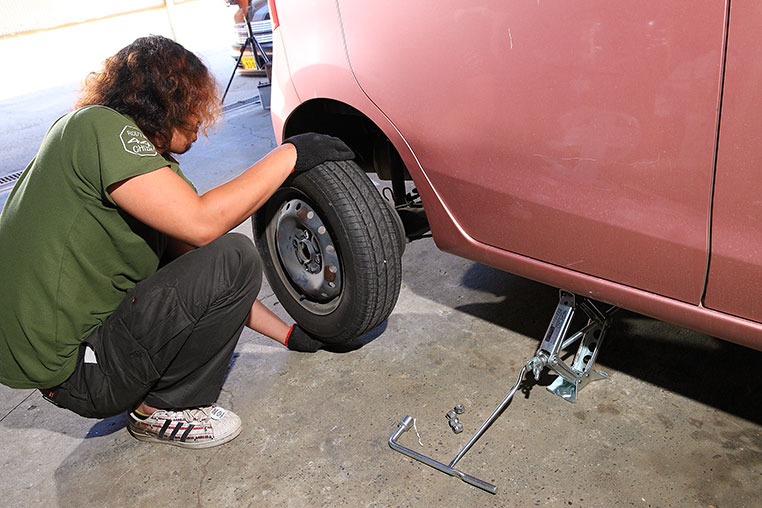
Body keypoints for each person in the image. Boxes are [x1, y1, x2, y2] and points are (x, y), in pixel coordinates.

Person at [0, 35, 354, 449]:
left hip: (75, 363)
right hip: (80, 370)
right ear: (169, 98)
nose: (202, 126)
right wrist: (291, 153)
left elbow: (209, 281)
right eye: (196, 108)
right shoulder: (99, 127)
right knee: (236, 253)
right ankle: (160, 411)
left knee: (225, 259)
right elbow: (204, 226)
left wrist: (288, 336)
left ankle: (143, 391)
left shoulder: (128, 165)